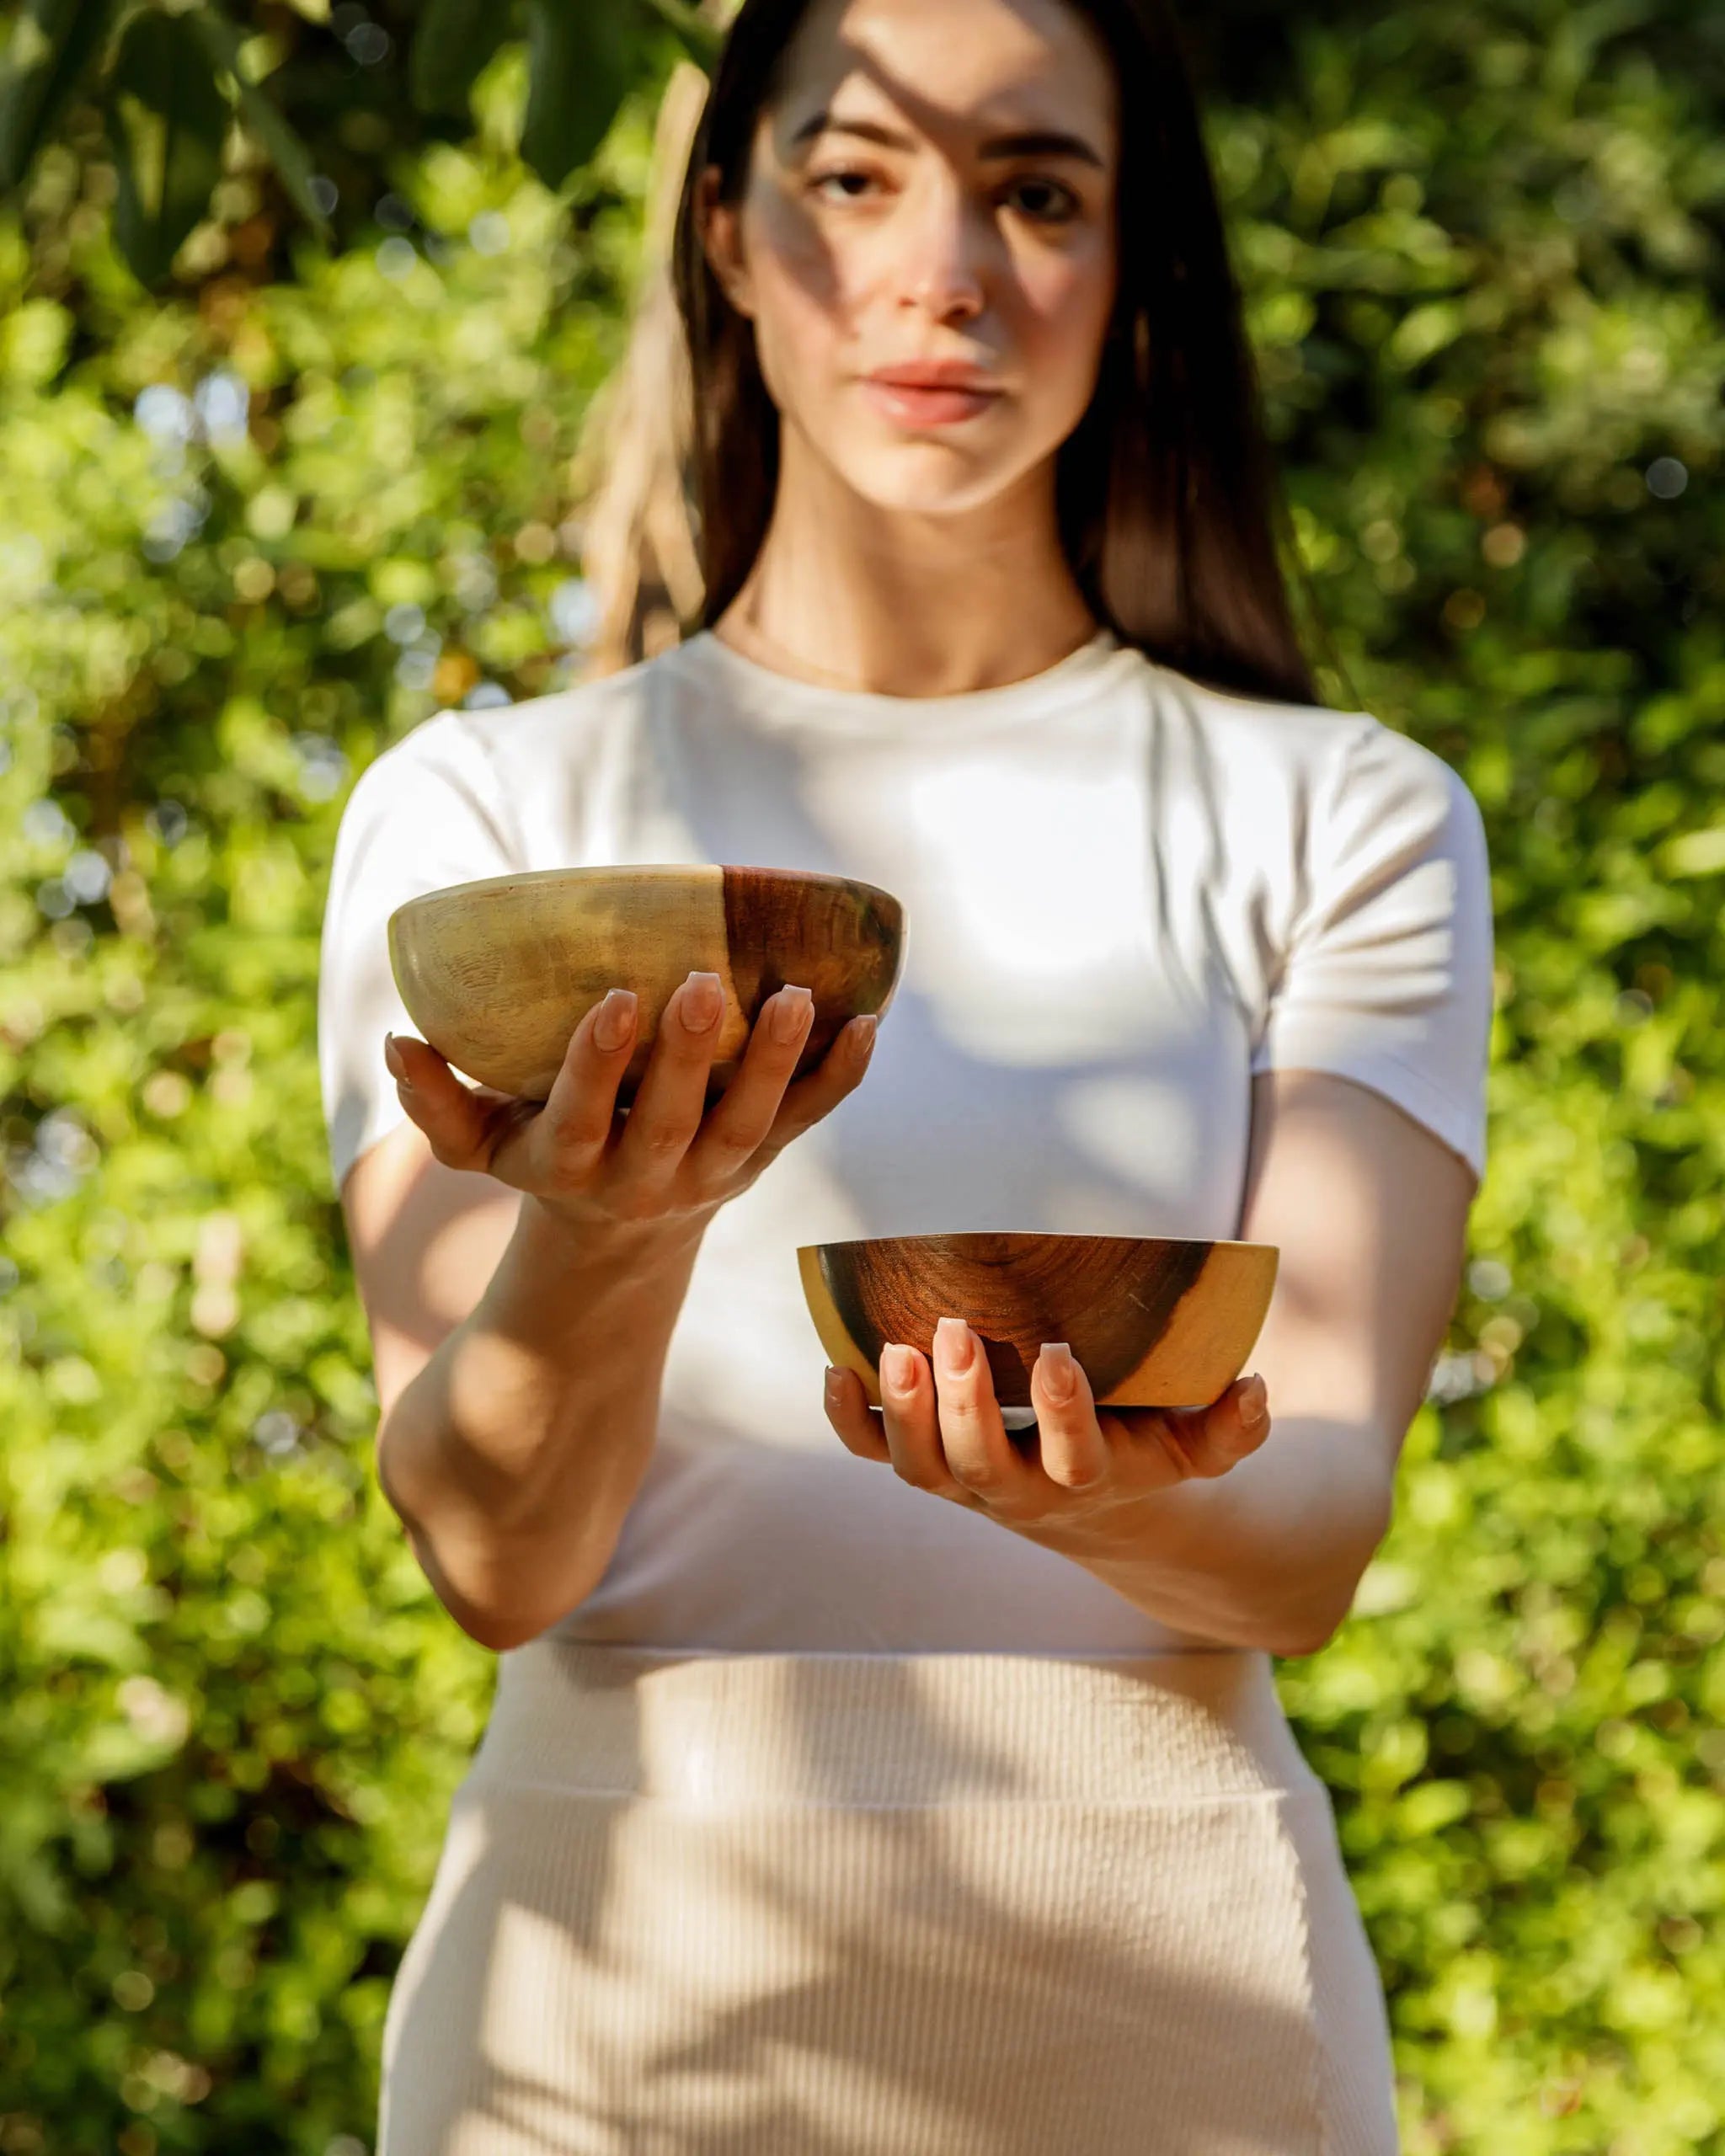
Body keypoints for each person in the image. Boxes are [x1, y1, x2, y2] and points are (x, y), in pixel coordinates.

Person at [317, 0, 1493, 2146]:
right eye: (854, 177)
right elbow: (494, 1550)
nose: (940, 271)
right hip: (595, 2025)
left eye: (1035, 191)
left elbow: (1314, 1526)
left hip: (1178, 2007)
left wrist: (1133, 1489)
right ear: (729, 239)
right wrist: (612, 1233)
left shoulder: (1348, 813)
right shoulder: (483, 818)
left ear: (1130, 270)